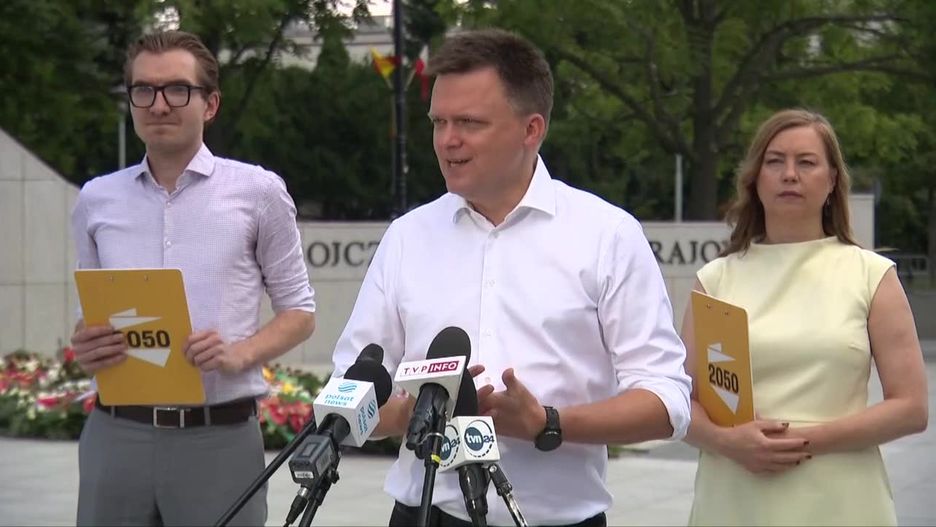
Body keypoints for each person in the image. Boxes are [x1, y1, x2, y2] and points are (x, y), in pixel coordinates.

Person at [329, 28, 691, 526]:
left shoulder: (607, 235)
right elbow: (349, 390)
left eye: (469, 122)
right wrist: (408, 414)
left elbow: (668, 402)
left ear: (531, 129)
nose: (447, 140)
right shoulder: (407, 237)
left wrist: (548, 423)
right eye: (438, 122)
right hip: (425, 513)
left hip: (557, 520)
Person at [69, 30, 316, 526]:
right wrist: (85, 343)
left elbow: (300, 312)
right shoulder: (96, 199)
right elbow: (87, 317)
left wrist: (240, 353)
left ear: (211, 104)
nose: (159, 104)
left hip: (218, 438)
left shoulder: (258, 192)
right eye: (144, 90)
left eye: (178, 90)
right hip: (115, 437)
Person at [682, 108, 928, 525]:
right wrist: (727, 441)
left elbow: (911, 408)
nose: (790, 175)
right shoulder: (716, 279)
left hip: (842, 502)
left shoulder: (871, 275)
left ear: (832, 181)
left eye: (807, 162)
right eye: (775, 161)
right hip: (735, 499)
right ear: (755, 179)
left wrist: (798, 441)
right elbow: (679, 399)